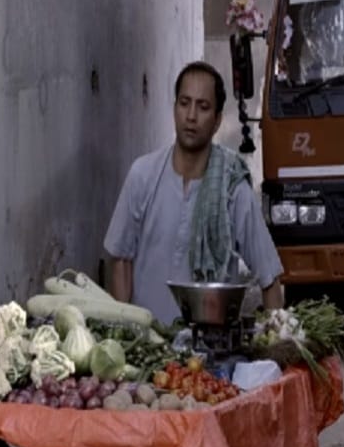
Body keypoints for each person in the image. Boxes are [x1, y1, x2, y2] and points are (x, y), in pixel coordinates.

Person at [104, 61, 285, 326]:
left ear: (217, 120)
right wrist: (125, 333)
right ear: (174, 108)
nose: (191, 116)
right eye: (184, 103)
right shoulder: (142, 175)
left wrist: (277, 340)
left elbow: (269, 279)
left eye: (203, 107)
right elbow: (120, 258)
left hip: (210, 347)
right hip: (147, 343)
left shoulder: (232, 188)